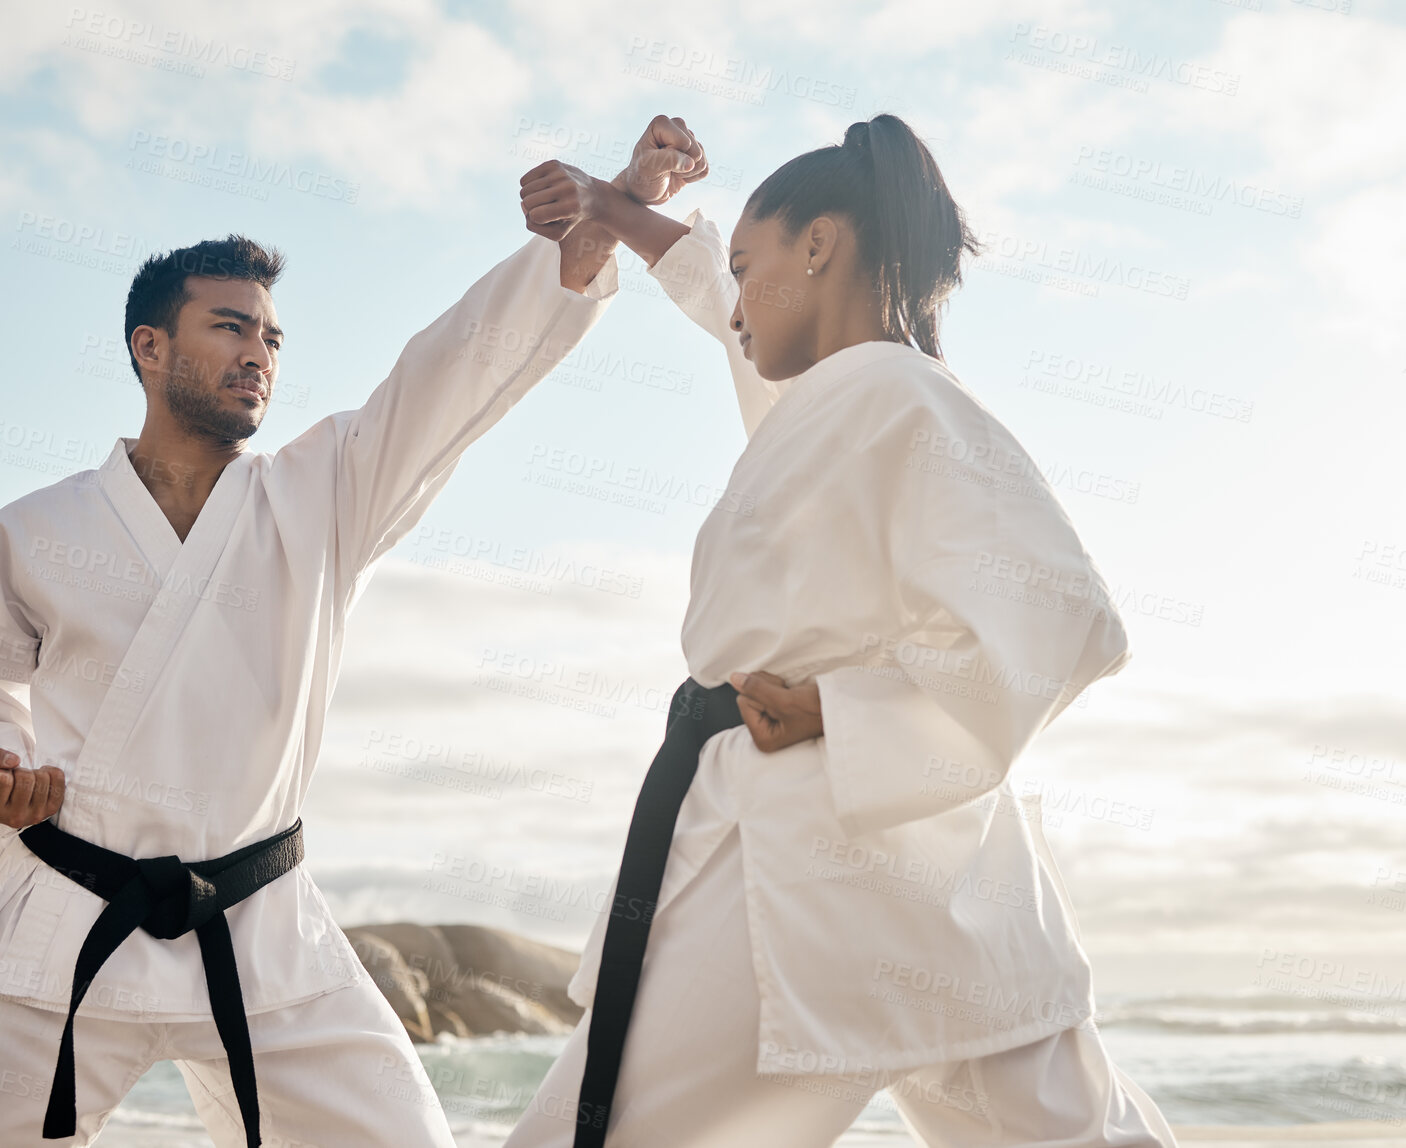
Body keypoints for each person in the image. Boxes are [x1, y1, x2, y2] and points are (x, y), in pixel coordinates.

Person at [0, 121, 702, 1147]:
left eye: (269, 338)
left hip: (261, 931)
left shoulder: (321, 494)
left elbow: (454, 373)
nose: (256, 353)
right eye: (228, 328)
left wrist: (608, 212)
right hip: (68, 923)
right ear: (148, 347)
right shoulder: (37, 528)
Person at [504, 116, 1177, 1147]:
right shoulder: (830, 402)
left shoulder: (894, 395)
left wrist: (848, 710)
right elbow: (709, 300)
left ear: (817, 245)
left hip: (792, 857)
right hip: (934, 884)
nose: (730, 303)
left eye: (746, 265)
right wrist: (613, 208)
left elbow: (1060, 612)